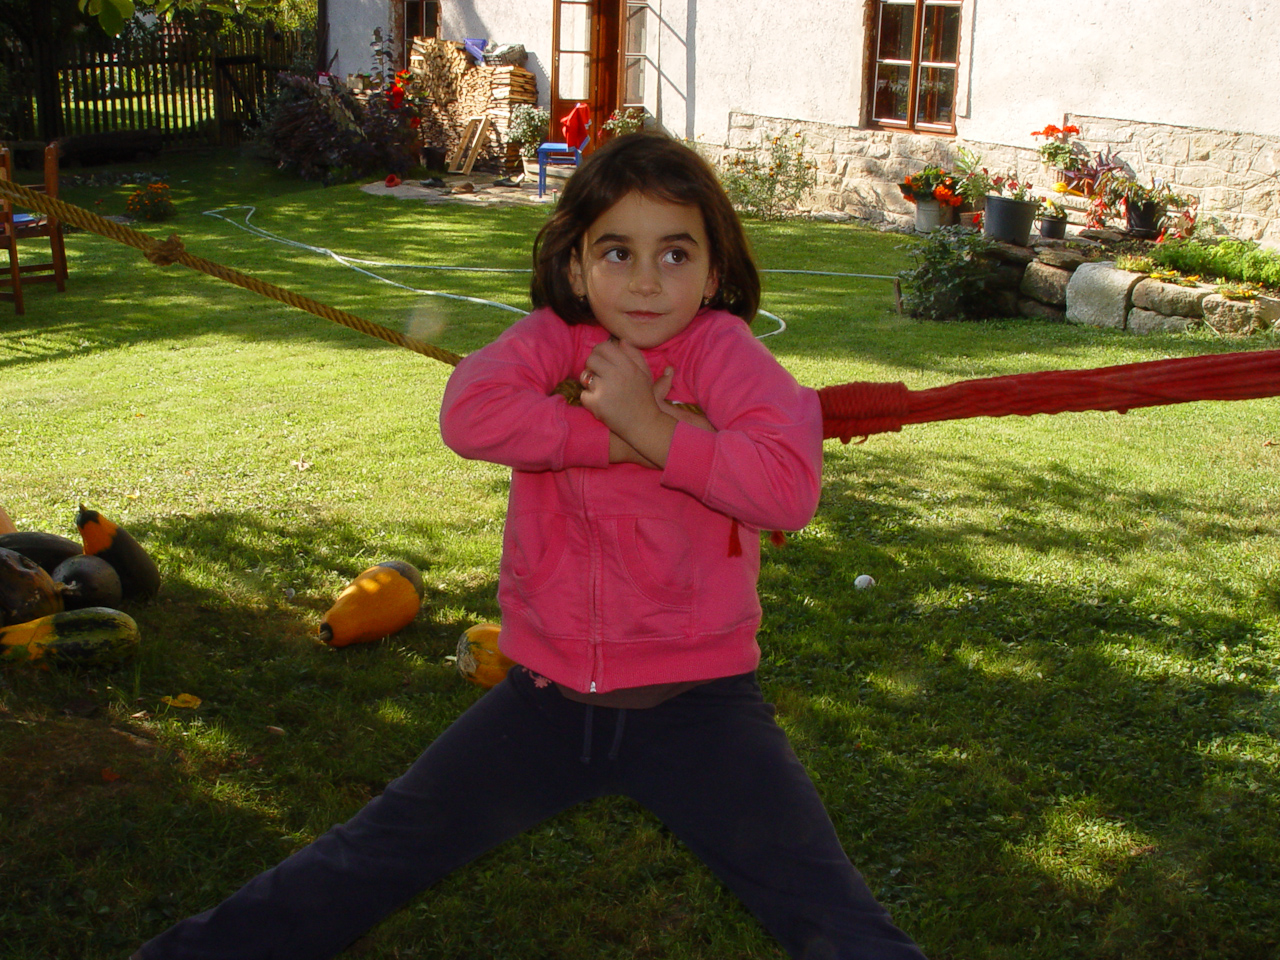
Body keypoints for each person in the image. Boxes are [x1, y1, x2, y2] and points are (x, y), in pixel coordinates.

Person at [132, 133, 927, 960]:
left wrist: (654, 424)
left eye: (675, 253)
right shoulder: (553, 340)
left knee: (832, 919)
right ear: (577, 268)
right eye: (617, 252)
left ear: (713, 270)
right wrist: (622, 437)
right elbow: (468, 415)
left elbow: (787, 490)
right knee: (369, 855)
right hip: (545, 701)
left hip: (700, 709)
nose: (645, 280)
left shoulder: (726, 355)